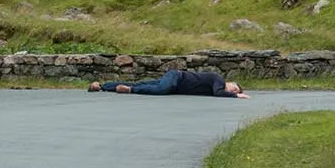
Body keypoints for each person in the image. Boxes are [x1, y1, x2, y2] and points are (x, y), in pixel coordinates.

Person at [88, 68, 249, 98]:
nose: (232, 91)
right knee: (162, 90)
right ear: (230, 82)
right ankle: (130, 90)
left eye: (235, 91)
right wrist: (237, 97)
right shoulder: (218, 80)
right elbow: (218, 93)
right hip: (177, 77)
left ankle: (101, 86)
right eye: (234, 88)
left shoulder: (219, 86)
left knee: (143, 83)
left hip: (177, 85)